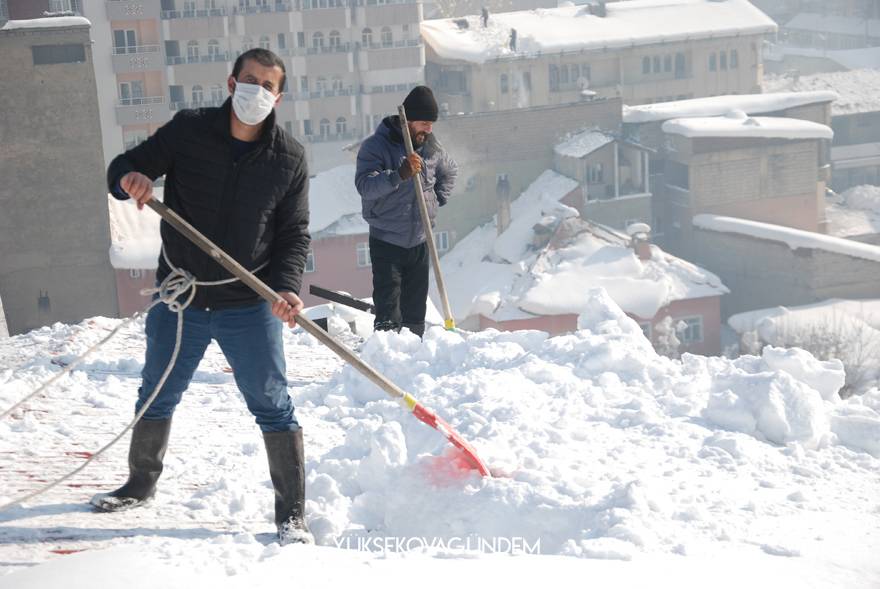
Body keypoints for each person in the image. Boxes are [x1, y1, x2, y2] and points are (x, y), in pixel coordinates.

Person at [92, 48, 313, 546]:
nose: (257, 90)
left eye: (267, 84)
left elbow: (293, 235)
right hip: (180, 299)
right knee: (157, 391)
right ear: (232, 84)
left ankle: (292, 514)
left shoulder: (290, 159)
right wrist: (131, 179)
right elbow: (124, 167)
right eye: (249, 80)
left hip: (249, 304)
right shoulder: (189, 131)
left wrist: (285, 288)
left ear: (279, 96)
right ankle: (139, 483)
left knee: (273, 405)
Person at [355, 86, 457, 338]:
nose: (428, 129)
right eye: (424, 123)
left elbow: (450, 171)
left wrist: (437, 199)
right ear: (407, 121)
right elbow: (365, 186)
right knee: (388, 306)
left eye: (431, 124)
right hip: (387, 238)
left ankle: (415, 351)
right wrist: (398, 175)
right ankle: (387, 352)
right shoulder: (375, 147)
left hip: (421, 239)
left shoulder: (432, 149)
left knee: (415, 309)